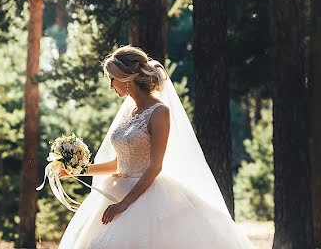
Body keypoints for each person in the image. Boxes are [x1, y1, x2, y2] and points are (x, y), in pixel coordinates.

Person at [57, 45, 255, 249]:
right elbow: (119, 163)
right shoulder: (128, 113)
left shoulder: (159, 112)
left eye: (112, 78)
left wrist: (125, 203)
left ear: (127, 78)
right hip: (116, 189)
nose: (110, 85)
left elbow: (155, 166)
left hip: (146, 195)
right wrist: (76, 170)